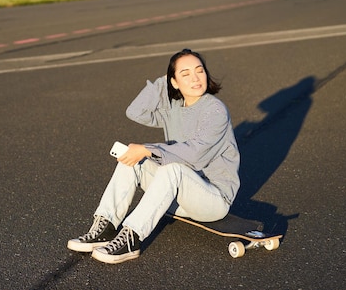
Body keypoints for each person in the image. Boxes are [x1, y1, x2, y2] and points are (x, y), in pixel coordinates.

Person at [67, 49, 240, 264]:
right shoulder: (174, 107)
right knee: (131, 159)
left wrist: (149, 149)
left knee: (171, 167)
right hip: (179, 197)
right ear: (174, 82)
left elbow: (195, 155)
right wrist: (162, 82)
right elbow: (135, 111)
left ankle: (131, 237)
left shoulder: (215, 111)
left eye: (199, 71)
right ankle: (106, 226)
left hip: (213, 199)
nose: (195, 78)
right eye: (185, 74)